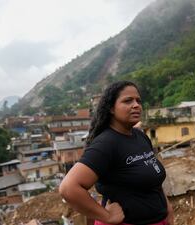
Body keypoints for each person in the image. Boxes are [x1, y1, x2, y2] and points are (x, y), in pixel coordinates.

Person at [59, 81, 174, 225]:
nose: (136, 105)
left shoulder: (141, 137)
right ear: (111, 108)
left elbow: (152, 175)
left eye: (138, 100)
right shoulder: (106, 144)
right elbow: (68, 188)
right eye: (128, 101)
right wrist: (107, 216)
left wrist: (167, 207)